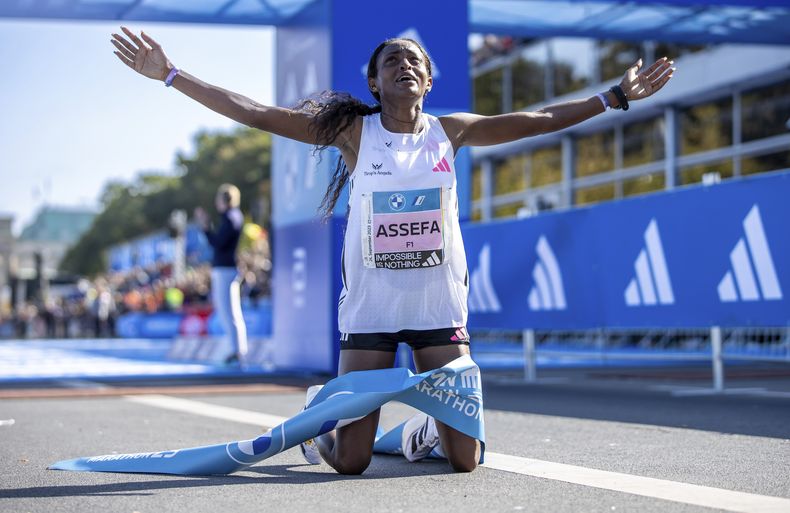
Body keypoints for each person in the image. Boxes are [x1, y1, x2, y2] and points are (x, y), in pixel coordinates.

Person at [111, 27, 674, 474]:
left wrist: (616, 95)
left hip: (439, 313)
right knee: (351, 461)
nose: (404, 66)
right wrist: (171, 75)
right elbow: (257, 113)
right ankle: (322, 424)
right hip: (372, 315)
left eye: (415, 62)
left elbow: (538, 119)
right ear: (375, 84)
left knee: (464, 462)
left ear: (428, 81)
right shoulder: (355, 135)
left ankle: (423, 430)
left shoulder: (450, 132)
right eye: (391, 63)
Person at [194, 184, 247, 365]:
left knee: (229, 312)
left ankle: (237, 350)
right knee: (229, 311)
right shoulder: (231, 217)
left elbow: (218, 243)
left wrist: (207, 227)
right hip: (224, 268)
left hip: (225, 269)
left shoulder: (231, 218)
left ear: (225, 200)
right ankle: (237, 349)